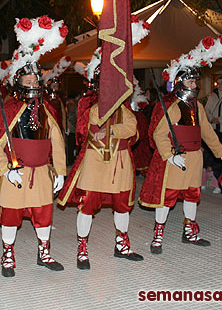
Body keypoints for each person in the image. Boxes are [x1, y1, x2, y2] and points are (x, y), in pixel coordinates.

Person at [58, 18, 151, 269]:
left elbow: (133, 129)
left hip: (120, 161)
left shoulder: (123, 105)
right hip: (96, 161)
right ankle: (82, 249)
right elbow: (88, 129)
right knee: (87, 205)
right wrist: (109, 128)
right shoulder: (88, 103)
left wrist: (111, 130)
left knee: (122, 205)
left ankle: (122, 245)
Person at [0, 15, 68, 277]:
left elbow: (57, 140)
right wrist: (5, 169)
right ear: (17, 81)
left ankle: (44, 253)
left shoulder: (47, 108)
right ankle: (8, 255)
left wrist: (61, 171)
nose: (33, 83)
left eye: (35, 79)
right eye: (28, 80)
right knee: (11, 216)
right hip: (15, 172)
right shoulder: (8, 108)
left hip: (41, 172)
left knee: (44, 214)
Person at [139, 35, 222, 253]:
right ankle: (158, 235)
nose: (195, 85)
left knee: (192, 196)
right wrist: (169, 155)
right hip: (177, 158)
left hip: (195, 158)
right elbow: (158, 134)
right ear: (181, 82)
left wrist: (221, 154)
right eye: (191, 82)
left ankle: (189, 231)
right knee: (168, 199)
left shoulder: (197, 107)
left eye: (195, 82)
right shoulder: (171, 106)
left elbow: (208, 133)